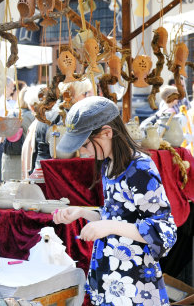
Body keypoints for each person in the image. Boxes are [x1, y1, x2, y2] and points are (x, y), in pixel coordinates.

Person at [53, 96, 176, 305]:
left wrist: (109, 225)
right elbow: (120, 216)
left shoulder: (140, 168)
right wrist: (82, 212)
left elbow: (164, 230)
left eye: (84, 145)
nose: (82, 152)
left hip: (134, 283)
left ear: (107, 133)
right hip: (110, 276)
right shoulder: (109, 165)